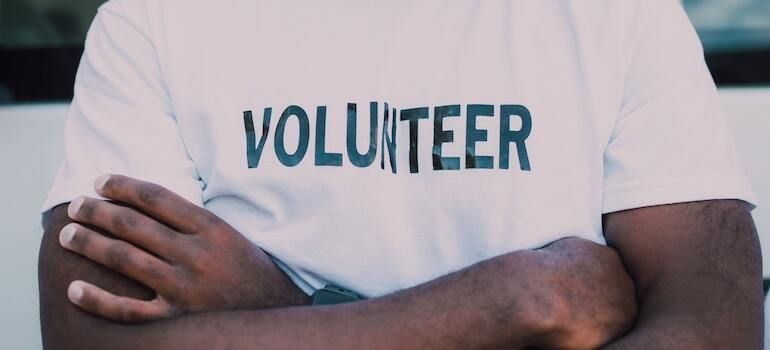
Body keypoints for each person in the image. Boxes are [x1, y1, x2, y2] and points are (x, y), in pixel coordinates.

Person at [38, 0, 763, 349]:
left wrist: (272, 303)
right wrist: (511, 301)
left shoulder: (620, 16)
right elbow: (90, 341)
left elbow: (717, 328)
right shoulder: (156, 21)